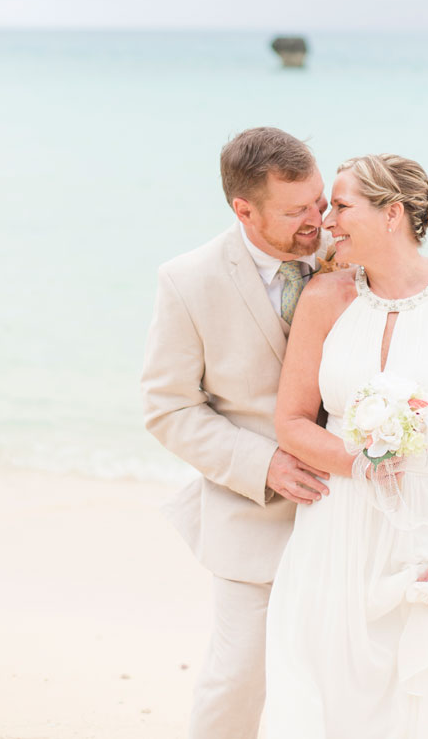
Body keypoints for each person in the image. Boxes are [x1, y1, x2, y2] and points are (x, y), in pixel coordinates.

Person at [264, 153, 428, 739]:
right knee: (330, 691)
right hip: (338, 531)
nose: (328, 221)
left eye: (343, 206)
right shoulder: (324, 298)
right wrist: (361, 462)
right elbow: (293, 421)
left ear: (392, 214)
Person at [141, 127, 333, 739]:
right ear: (242, 209)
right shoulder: (188, 280)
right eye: (297, 210)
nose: (317, 220)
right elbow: (168, 408)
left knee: (349, 675)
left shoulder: (350, 253)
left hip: (356, 511)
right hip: (254, 514)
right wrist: (264, 464)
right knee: (239, 678)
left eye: (321, 201)